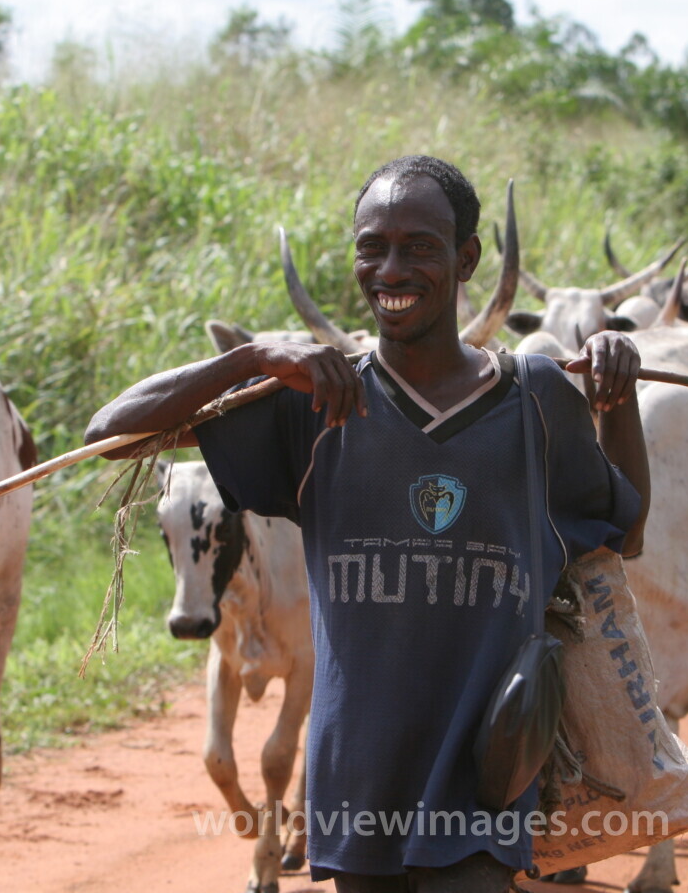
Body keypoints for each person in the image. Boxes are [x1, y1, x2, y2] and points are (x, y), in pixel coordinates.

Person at [85, 155, 649, 892]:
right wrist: (250, 359)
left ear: (466, 258)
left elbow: (624, 533)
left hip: (485, 774)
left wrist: (621, 396)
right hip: (355, 782)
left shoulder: (533, 399)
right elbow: (109, 432)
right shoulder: (316, 404)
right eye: (371, 246)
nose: (391, 267)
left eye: (419, 246)